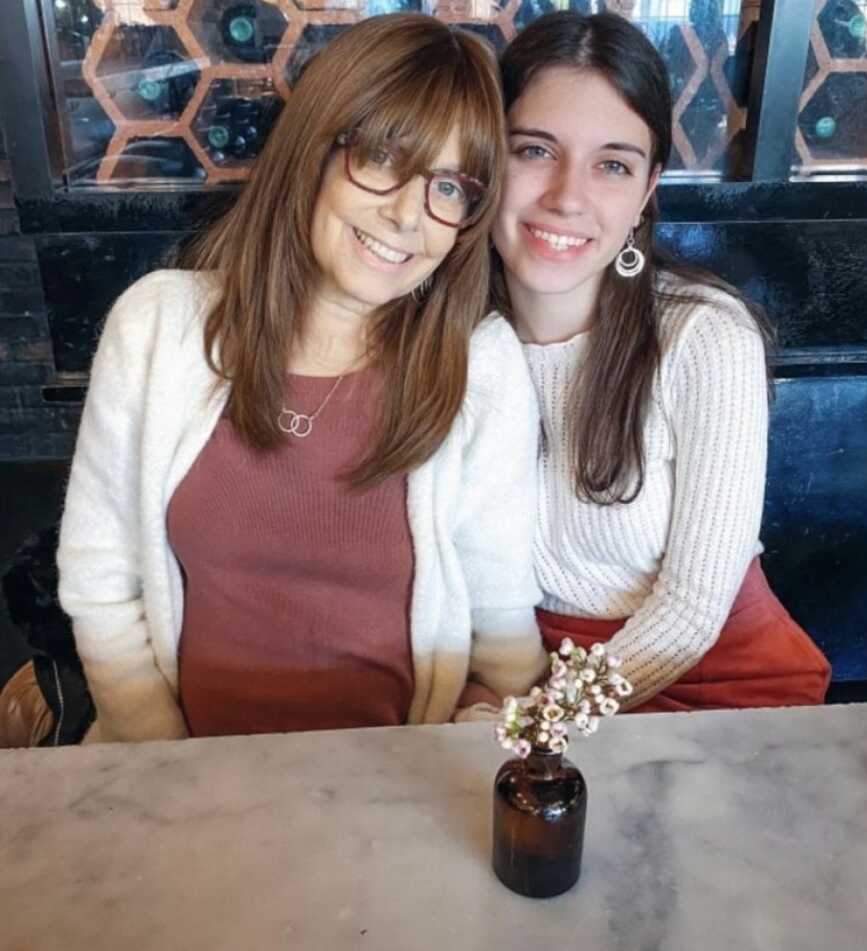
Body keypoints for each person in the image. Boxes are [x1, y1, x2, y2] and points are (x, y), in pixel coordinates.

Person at [57, 13, 546, 743]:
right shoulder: (158, 327)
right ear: (315, 148)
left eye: (450, 188)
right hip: (177, 777)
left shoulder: (481, 363)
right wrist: (172, 768)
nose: (409, 215)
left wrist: (468, 740)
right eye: (383, 157)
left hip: (398, 794)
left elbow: (503, 630)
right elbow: (101, 581)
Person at [490, 11, 831, 712]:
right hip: (516, 681)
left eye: (612, 164)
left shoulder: (704, 338)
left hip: (712, 687)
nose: (568, 197)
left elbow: (691, 610)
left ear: (647, 191)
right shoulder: (454, 336)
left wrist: (539, 720)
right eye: (534, 150)